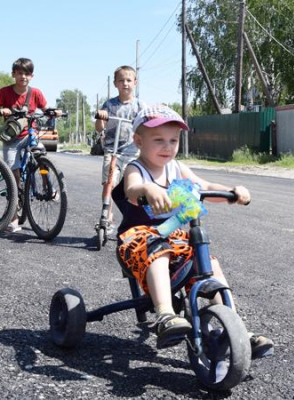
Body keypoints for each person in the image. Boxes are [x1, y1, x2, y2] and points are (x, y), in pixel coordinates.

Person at [112, 105, 273, 358]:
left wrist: (232, 193)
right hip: (136, 239)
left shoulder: (175, 167)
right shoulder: (136, 168)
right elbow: (132, 190)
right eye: (159, 140)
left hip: (171, 237)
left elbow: (205, 186)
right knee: (160, 251)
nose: (167, 147)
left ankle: (236, 327)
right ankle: (165, 314)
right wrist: (148, 190)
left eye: (173, 140)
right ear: (138, 141)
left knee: (206, 261)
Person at [0, 57, 62, 233]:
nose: (23, 77)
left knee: (41, 154)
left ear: (32, 76)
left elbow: (46, 108)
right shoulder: (4, 92)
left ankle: (48, 186)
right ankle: (13, 218)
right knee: (13, 175)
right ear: (13, 74)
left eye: (27, 74)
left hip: (30, 135)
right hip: (11, 139)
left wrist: (54, 112)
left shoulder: (36, 93)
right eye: (19, 73)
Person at [94, 65, 145, 235]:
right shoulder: (109, 105)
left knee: (132, 187)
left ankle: (134, 218)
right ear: (115, 83)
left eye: (129, 80)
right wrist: (101, 117)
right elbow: (99, 128)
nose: (125, 83)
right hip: (112, 151)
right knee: (109, 183)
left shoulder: (139, 106)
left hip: (133, 152)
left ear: (135, 82)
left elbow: (146, 126)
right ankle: (106, 217)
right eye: (121, 80)